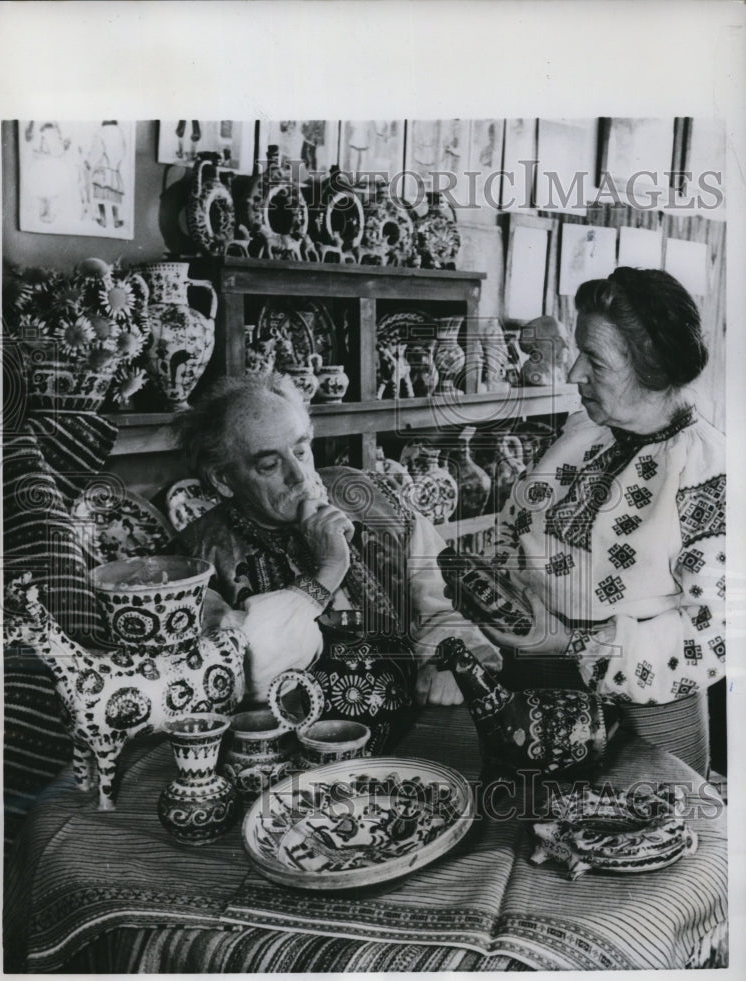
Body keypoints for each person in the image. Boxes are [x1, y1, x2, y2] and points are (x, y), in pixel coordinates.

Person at [465, 267, 725, 775]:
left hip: (643, 713)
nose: (573, 372)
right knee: (522, 840)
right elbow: (515, 526)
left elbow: (719, 632)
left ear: (651, 368)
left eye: (596, 361)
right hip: (528, 690)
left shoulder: (706, 468)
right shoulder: (583, 432)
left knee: (631, 842)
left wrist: (574, 644)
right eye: (579, 351)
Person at [171, 371, 501, 707]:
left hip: (408, 722)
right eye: (270, 465)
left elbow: (446, 604)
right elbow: (238, 676)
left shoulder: (367, 497)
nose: (298, 476)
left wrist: (449, 662)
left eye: (301, 451)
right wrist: (327, 570)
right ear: (223, 479)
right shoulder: (195, 560)